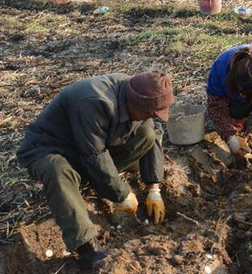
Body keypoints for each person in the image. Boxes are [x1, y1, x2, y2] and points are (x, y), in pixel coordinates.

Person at [16, 71, 174, 268]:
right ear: (136, 104)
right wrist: (121, 194)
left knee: (147, 133)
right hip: (51, 148)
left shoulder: (138, 91)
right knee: (58, 171)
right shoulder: (94, 101)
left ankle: (99, 179)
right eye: (150, 112)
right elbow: (94, 155)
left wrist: (154, 189)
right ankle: (86, 248)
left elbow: (150, 131)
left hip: (91, 146)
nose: (152, 116)